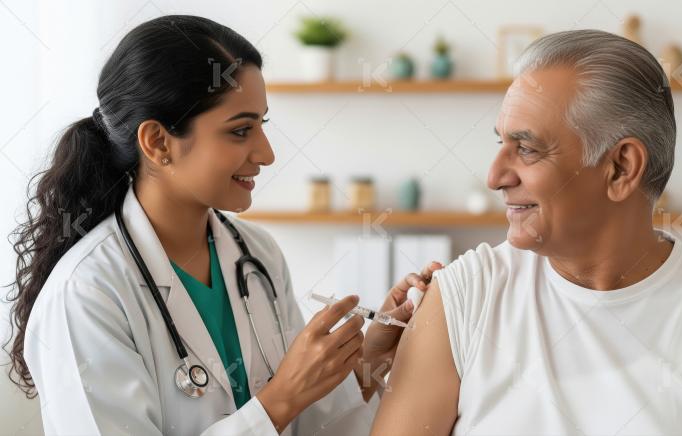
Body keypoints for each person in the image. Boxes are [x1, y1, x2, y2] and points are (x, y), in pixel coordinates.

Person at [5, 15, 440, 435]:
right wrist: (280, 400)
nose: (266, 153)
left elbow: (310, 424)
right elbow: (283, 407)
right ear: (158, 142)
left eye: (262, 124)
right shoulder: (86, 293)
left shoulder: (257, 254)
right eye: (240, 130)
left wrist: (369, 359)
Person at [372, 29, 682, 435]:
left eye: (526, 148)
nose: (495, 176)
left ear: (620, 168)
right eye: (499, 143)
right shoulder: (464, 297)